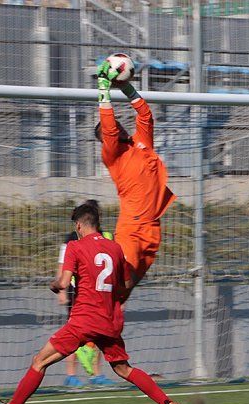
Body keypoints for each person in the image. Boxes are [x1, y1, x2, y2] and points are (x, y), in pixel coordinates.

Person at [0, 202, 184, 404]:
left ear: (79, 225)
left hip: (84, 320)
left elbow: (64, 282)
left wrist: (54, 284)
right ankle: (168, 403)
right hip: (109, 320)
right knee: (124, 369)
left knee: (39, 361)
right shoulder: (115, 248)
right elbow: (126, 282)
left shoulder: (74, 247)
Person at [95, 57, 175, 293]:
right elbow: (107, 127)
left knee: (125, 292)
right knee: (122, 284)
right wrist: (103, 88)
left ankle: (104, 326)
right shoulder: (113, 156)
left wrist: (127, 88)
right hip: (132, 228)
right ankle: (88, 318)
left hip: (152, 228)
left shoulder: (140, 143)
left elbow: (146, 116)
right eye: (108, 131)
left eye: (118, 123)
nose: (116, 126)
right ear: (103, 140)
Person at [57, 200, 116, 387]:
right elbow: (63, 263)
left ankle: (96, 374)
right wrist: (62, 291)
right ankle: (71, 375)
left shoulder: (107, 236)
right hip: (78, 291)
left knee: (99, 334)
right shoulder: (72, 238)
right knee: (74, 331)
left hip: (100, 293)